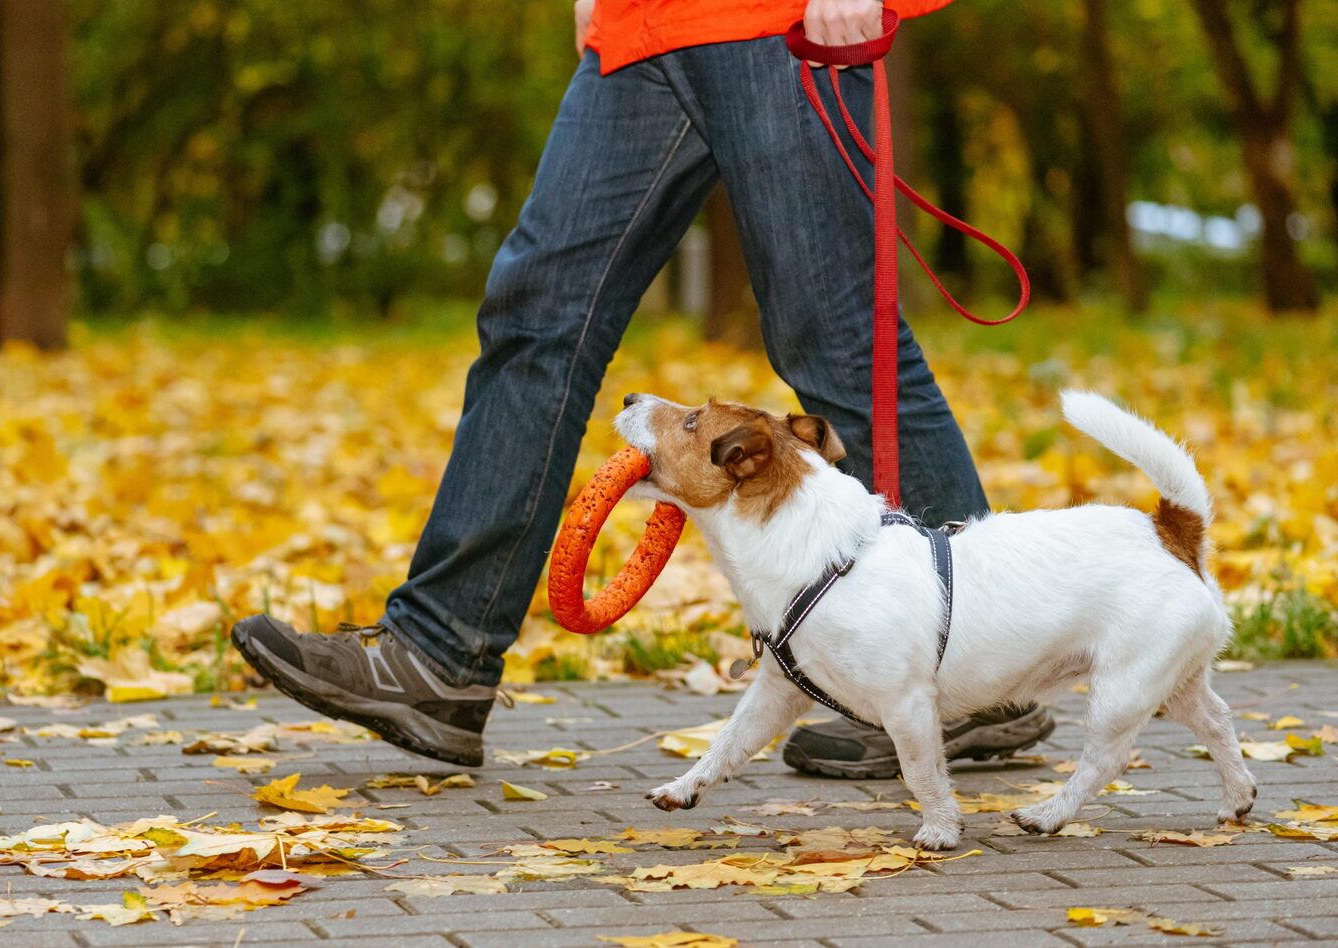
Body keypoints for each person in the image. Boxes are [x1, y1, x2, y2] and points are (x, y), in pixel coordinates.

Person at [231, 0, 1053, 775]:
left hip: (776, 24)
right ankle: (440, 652)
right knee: (537, 312)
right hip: (644, 27)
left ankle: (976, 669)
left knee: (832, 339)